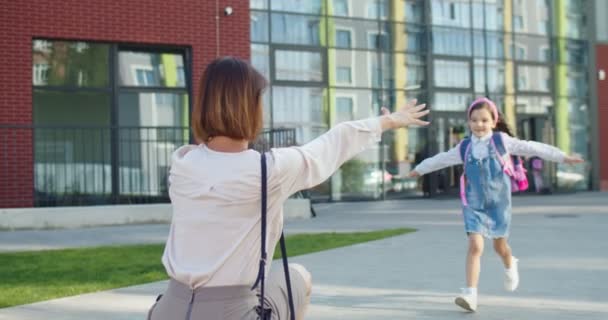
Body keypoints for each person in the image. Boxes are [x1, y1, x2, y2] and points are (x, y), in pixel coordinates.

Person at [147, 56, 430, 320]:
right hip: (231, 312)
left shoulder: (183, 163)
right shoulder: (269, 170)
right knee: (299, 276)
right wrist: (390, 120)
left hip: (169, 308)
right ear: (251, 108)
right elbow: (333, 143)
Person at [408, 97, 583, 312]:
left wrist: (563, 157)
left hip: (499, 204)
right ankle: (470, 294)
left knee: (500, 247)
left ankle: (510, 263)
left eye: (483, 120)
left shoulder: (502, 142)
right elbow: (441, 159)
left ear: (493, 121)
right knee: (475, 246)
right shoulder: (464, 148)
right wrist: (420, 169)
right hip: (473, 203)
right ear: (469, 122)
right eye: (474, 120)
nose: (479, 125)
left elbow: (533, 147)